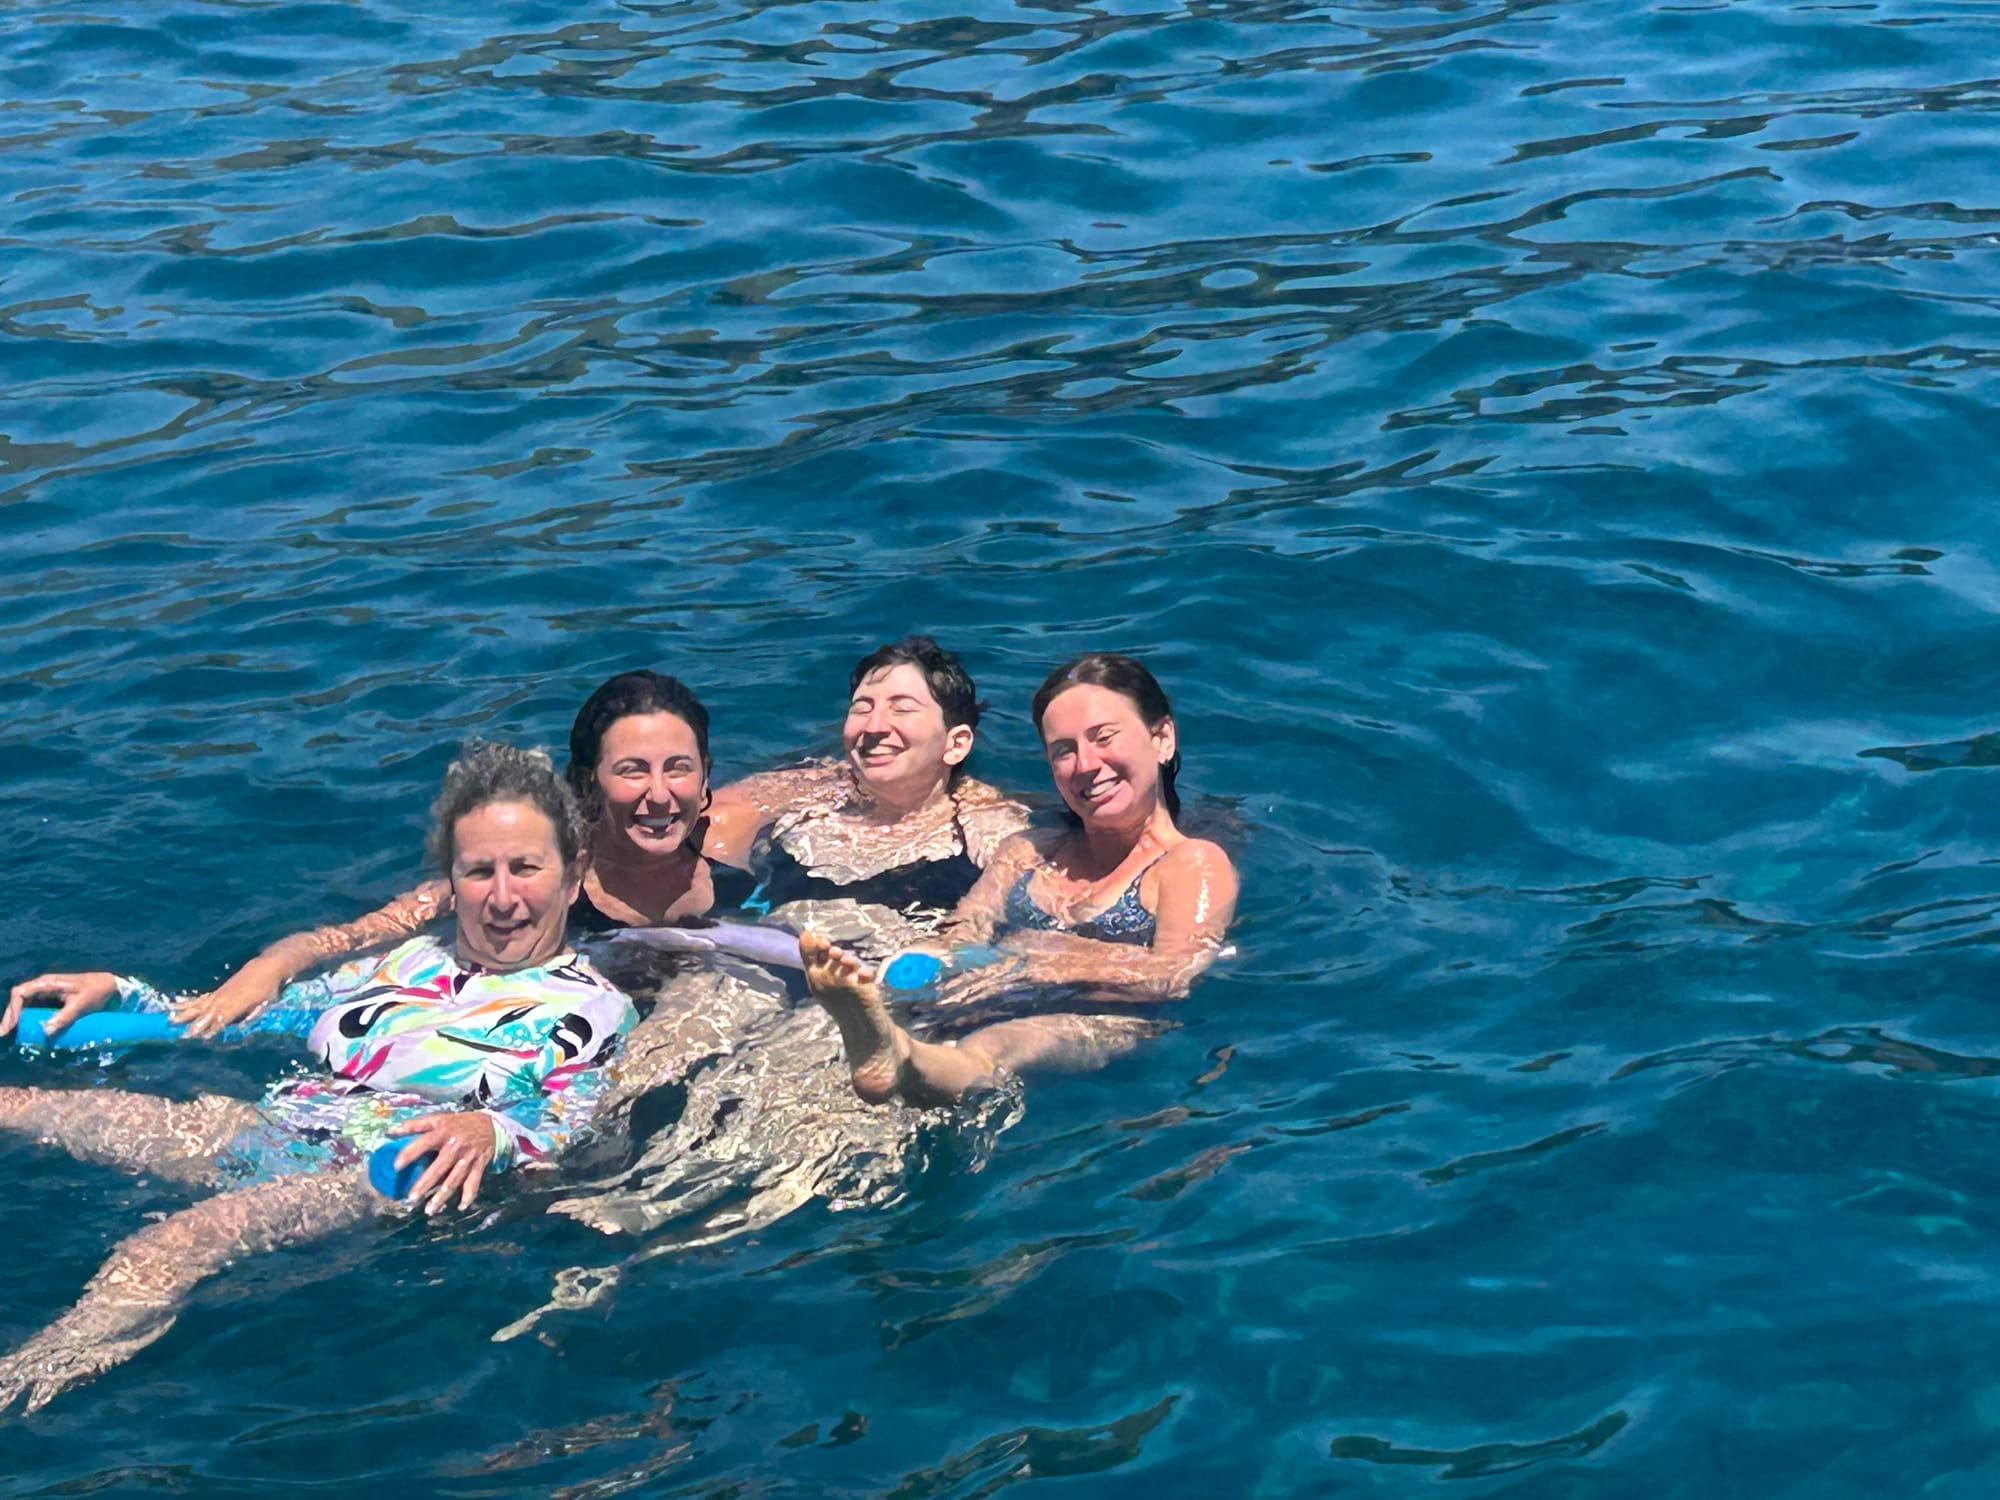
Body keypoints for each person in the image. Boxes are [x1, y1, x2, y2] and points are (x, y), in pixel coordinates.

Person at [0, 744, 637, 1415]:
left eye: (525, 868)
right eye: (480, 871)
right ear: (452, 881)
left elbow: (581, 1114)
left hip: (370, 1175)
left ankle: (22, 1382)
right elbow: (257, 1015)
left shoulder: (591, 1010)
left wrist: (494, 1132)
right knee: (13, 1106)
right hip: (265, 1132)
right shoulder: (406, 962)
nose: (503, 896)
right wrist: (126, 997)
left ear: (573, 875)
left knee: (170, 1247)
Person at [174, 671, 749, 1036]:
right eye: (632, 771)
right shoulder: (531, 879)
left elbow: (801, 781)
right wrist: (268, 968)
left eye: (678, 768)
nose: (659, 794)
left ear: (704, 776)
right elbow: (350, 936)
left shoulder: (733, 838)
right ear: (587, 783)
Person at [802, 653, 1238, 1106]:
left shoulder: (1191, 863)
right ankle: (886, 1044)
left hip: (1103, 1018)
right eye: (1063, 750)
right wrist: (928, 959)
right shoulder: (1028, 850)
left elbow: (1173, 974)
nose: (1085, 764)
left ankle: (900, 1059)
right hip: (988, 999)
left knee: (998, 1046)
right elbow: (967, 927)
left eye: (1104, 737)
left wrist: (1030, 960)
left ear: (1162, 738)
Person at [704, 635, 1030, 915]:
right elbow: (700, 837)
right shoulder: (802, 789)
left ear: (955, 744)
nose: (874, 726)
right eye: (861, 708)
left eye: (902, 708)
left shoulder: (989, 827)